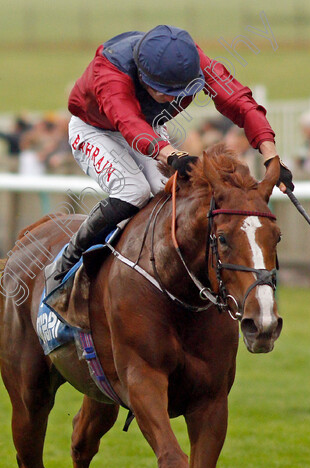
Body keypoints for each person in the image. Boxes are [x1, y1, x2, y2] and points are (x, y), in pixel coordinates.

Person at [44, 25, 293, 303]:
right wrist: (171, 155)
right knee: (134, 191)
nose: (173, 100)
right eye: (164, 92)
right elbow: (128, 122)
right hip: (96, 129)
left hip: (148, 127)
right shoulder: (110, 70)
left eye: (178, 91)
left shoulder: (195, 61)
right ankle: (65, 262)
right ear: (142, 74)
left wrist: (271, 155)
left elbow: (238, 101)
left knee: (173, 195)